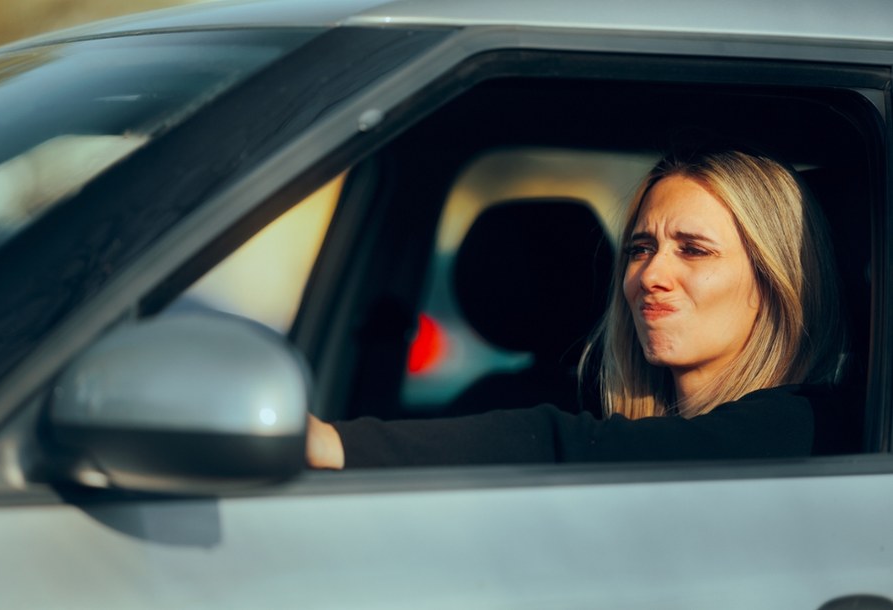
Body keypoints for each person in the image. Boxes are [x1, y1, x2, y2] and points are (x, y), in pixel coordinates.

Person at [306, 147, 848, 469]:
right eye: (640, 249)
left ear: (777, 281)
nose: (649, 276)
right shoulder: (638, 426)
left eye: (694, 249)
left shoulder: (803, 429)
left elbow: (566, 445)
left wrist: (337, 443)